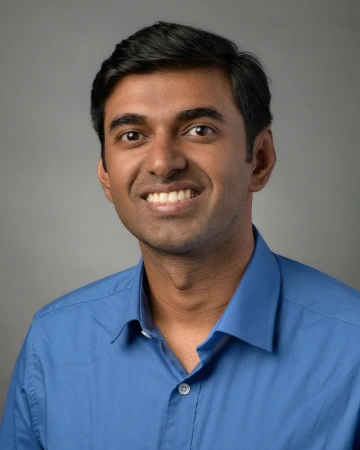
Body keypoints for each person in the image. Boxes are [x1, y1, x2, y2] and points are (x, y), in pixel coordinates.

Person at [1, 21, 360, 450]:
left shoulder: (352, 349)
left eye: (199, 130)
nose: (163, 163)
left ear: (259, 160)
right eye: (132, 135)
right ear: (106, 177)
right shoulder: (53, 341)